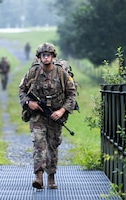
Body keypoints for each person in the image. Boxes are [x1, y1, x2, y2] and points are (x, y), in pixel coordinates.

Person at [19, 43, 76, 189]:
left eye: (48, 55)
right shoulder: (32, 73)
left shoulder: (62, 73)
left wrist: (62, 111)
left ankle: (51, 176)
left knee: (53, 145)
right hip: (37, 115)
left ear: (53, 57)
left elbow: (71, 95)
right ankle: (38, 176)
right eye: (43, 55)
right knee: (39, 143)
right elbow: (22, 91)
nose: (46, 57)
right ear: (39, 58)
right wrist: (28, 103)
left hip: (56, 115)